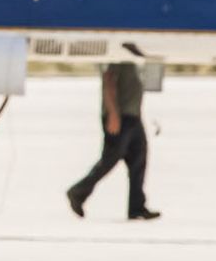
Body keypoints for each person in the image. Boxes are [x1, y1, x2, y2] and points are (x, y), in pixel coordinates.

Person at [65, 62, 160, 221]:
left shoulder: (134, 57)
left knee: (139, 160)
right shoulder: (118, 55)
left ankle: (137, 207)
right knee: (109, 160)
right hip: (119, 117)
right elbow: (108, 80)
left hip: (133, 116)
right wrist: (113, 113)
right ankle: (77, 192)